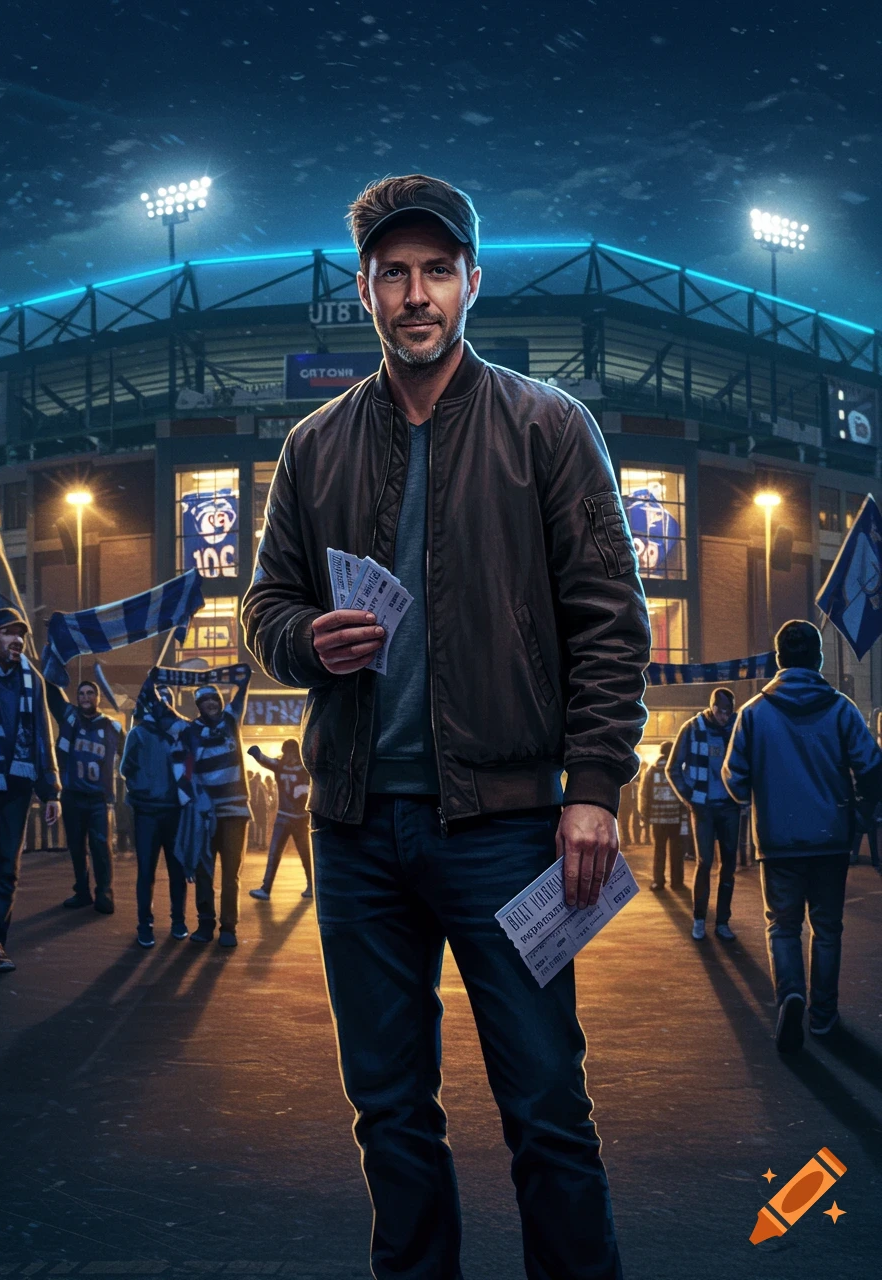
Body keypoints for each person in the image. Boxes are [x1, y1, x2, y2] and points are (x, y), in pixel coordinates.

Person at [243, 174, 650, 1280]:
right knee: (389, 1117)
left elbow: (609, 622)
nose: (414, 293)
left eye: (434, 270)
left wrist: (592, 788)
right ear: (364, 290)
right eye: (392, 273)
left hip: (509, 828)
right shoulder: (313, 446)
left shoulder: (547, 426)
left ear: (470, 281)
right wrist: (300, 640)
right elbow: (261, 608)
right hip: (358, 828)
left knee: (545, 1110)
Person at [723, 620, 882, 1052]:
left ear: (778, 659)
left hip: (776, 842)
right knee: (827, 929)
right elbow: (871, 766)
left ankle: (790, 993)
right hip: (832, 837)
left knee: (783, 926)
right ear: (818, 659)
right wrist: (864, 810)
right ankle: (824, 1018)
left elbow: (734, 780)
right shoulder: (842, 709)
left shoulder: (753, 713)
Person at [0, 609, 60, 973]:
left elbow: (43, 737)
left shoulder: (34, 680)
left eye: (21, 635)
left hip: (15, 789)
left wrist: (51, 791)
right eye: (7, 633)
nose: (16, 640)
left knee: (5, 870)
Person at [173, 672, 252, 948]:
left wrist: (242, 677)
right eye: (205, 700)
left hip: (235, 812)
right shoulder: (189, 732)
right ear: (198, 706)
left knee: (231, 873)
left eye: (215, 698)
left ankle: (228, 927)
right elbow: (181, 768)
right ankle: (205, 924)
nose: (211, 703)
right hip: (204, 814)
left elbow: (242, 689)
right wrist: (192, 800)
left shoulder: (231, 720)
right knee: (204, 871)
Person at [119, 680, 190, 947]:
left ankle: (178, 920)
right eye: (157, 698)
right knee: (146, 871)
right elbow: (126, 769)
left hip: (174, 812)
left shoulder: (180, 733)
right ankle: (144, 924)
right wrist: (145, 791)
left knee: (177, 870)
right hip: (147, 813)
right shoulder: (137, 734)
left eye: (166, 699)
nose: (161, 703)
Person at [667, 686, 741, 941]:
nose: (724, 717)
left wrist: (743, 794)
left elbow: (749, 762)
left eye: (728, 713)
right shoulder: (693, 727)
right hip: (704, 807)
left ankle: (722, 922)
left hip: (729, 805)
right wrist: (690, 798)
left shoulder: (736, 727)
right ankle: (700, 919)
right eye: (721, 712)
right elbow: (672, 767)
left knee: (729, 865)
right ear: (712, 707)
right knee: (705, 862)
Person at [46, 676, 124, 914]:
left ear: (98, 697)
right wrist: (53, 662)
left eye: (90, 693)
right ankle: (82, 891)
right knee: (77, 847)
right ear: (77, 698)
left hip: (98, 798)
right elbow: (52, 694)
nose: (86, 697)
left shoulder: (112, 727)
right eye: (82, 693)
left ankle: (104, 893)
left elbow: (131, 755)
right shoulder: (70, 718)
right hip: (72, 794)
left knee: (101, 847)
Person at [247, 738, 312, 900]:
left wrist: (256, 753)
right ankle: (266, 889)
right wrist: (256, 754)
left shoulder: (298, 768)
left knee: (304, 854)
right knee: (275, 853)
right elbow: (264, 759)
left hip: (297, 819)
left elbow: (264, 760)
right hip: (288, 818)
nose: (287, 755)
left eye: (289, 752)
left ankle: (311, 885)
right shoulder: (287, 767)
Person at [640, 740, 686, 891]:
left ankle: (658, 881)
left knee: (659, 850)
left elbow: (644, 792)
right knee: (677, 851)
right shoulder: (679, 769)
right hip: (676, 818)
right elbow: (684, 792)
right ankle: (677, 881)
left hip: (657, 818)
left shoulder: (652, 770)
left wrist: (645, 815)